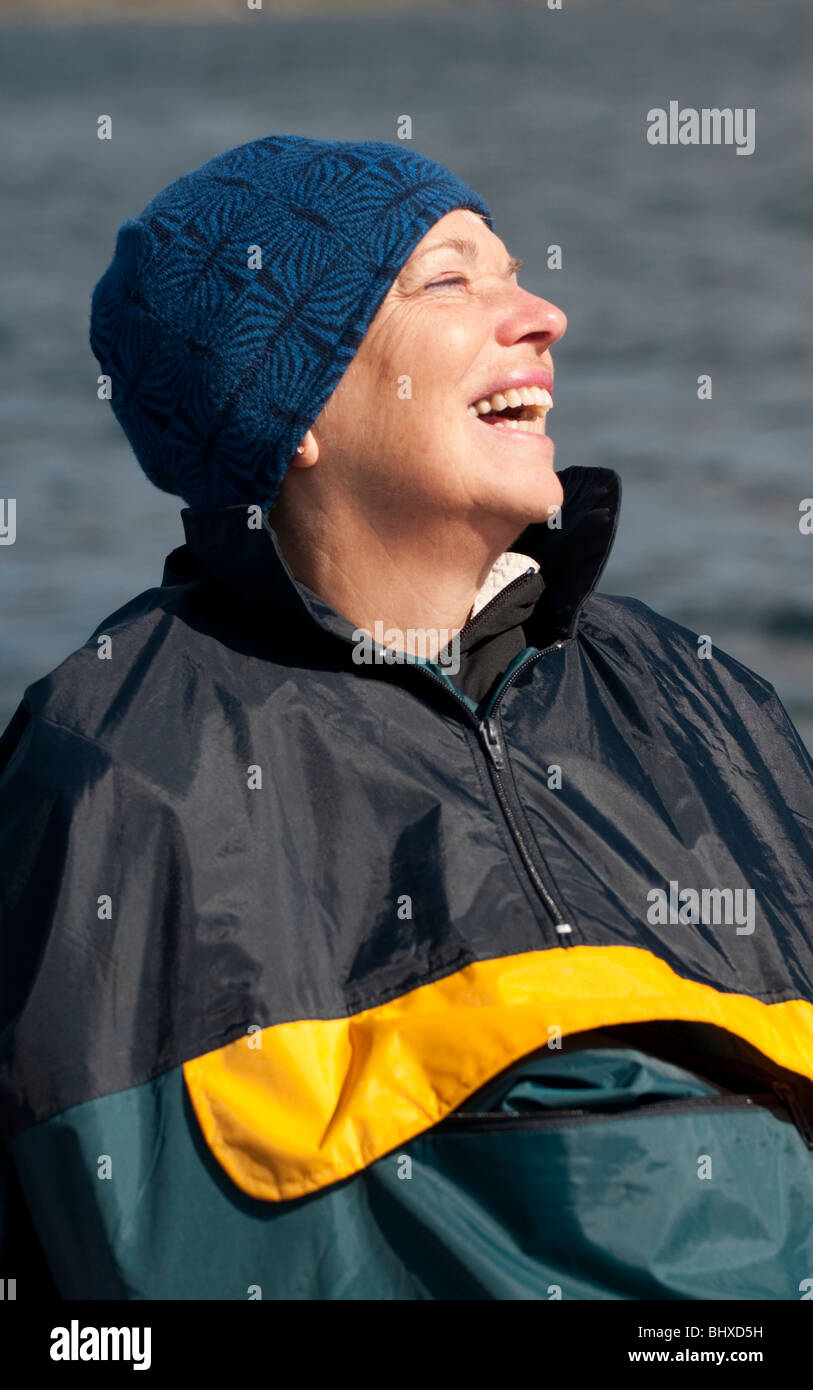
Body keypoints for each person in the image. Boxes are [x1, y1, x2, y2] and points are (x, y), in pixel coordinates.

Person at [1, 133, 813, 1301]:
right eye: (452, 278)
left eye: (516, 271)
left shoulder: (702, 701)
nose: (544, 314)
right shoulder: (115, 768)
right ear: (300, 407)